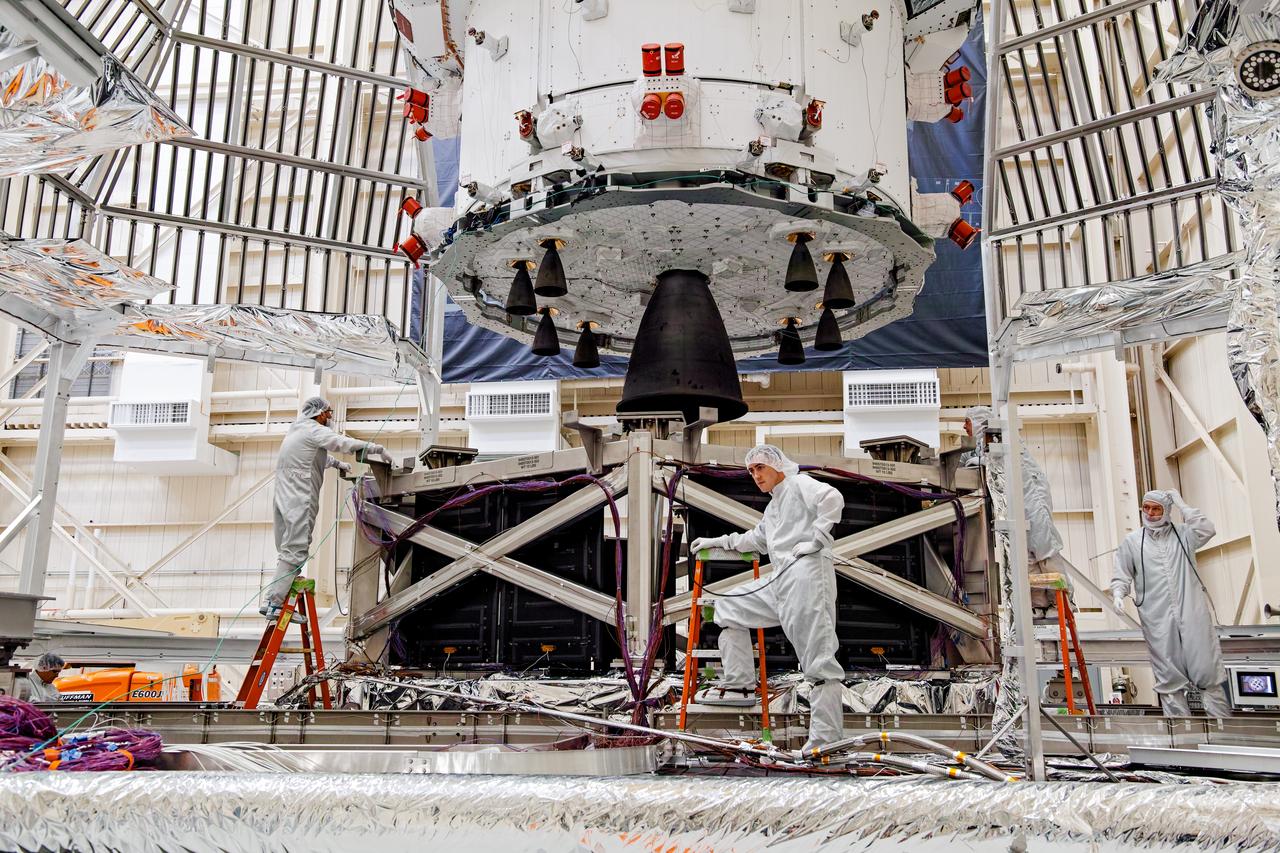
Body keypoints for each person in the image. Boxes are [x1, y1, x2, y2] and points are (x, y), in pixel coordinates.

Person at [689, 444, 847, 754]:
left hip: (807, 577)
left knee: (818, 662)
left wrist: (818, 539)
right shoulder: (774, 507)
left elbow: (832, 498)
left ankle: (827, 744)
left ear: (777, 465)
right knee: (727, 606)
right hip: (781, 579)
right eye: (751, 471)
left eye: (760, 468)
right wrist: (717, 541)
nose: (755, 475)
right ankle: (740, 683)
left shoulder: (799, 484)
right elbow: (755, 540)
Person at [263, 396, 392, 620]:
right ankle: (274, 603)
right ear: (318, 413)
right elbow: (339, 442)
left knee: (287, 551)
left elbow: (313, 456)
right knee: (296, 549)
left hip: (284, 497)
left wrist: (337, 464)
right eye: (328, 413)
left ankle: (275, 600)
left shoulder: (297, 431)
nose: (330, 418)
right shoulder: (313, 429)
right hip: (299, 498)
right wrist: (372, 447)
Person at [1110, 489, 1230, 717]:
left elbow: (1207, 528)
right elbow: (1122, 573)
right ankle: (1179, 734)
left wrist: (1182, 504)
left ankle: (1221, 726)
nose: (1151, 513)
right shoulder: (1133, 542)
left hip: (1191, 610)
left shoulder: (1184, 534)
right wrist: (1118, 593)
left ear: (1167, 511)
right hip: (1157, 615)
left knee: (1205, 665)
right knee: (1167, 672)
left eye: (1157, 509)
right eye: (1147, 508)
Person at [964, 405, 1075, 617]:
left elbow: (1002, 461)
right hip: (1014, 505)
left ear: (978, 421)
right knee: (1024, 555)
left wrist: (981, 462)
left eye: (967, 422)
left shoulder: (1001, 437)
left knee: (1044, 549)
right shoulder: (980, 446)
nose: (964, 426)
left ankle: (1059, 603)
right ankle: (1039, 605)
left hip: (1031, 497)